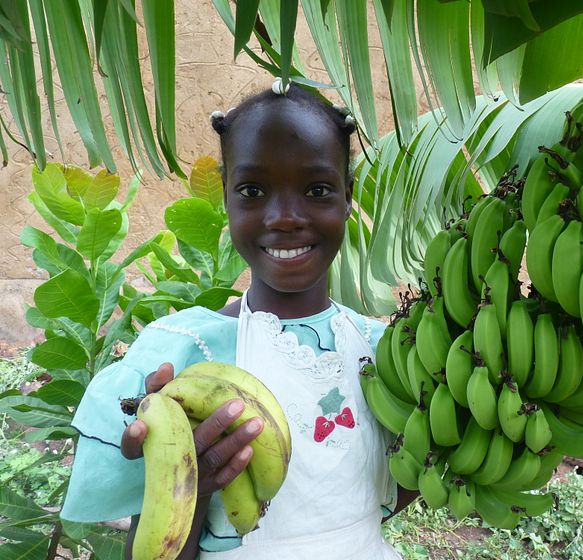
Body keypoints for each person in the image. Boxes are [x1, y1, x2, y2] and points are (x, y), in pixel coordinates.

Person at [60, 79, 419, 559]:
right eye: (252, 190)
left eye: (317, 189)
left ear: (347, 197)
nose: (285, 217)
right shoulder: (189, 356)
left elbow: (393, 498)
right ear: (226, 199)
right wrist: (191, 478)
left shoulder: (386, 355)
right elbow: (154, 549)